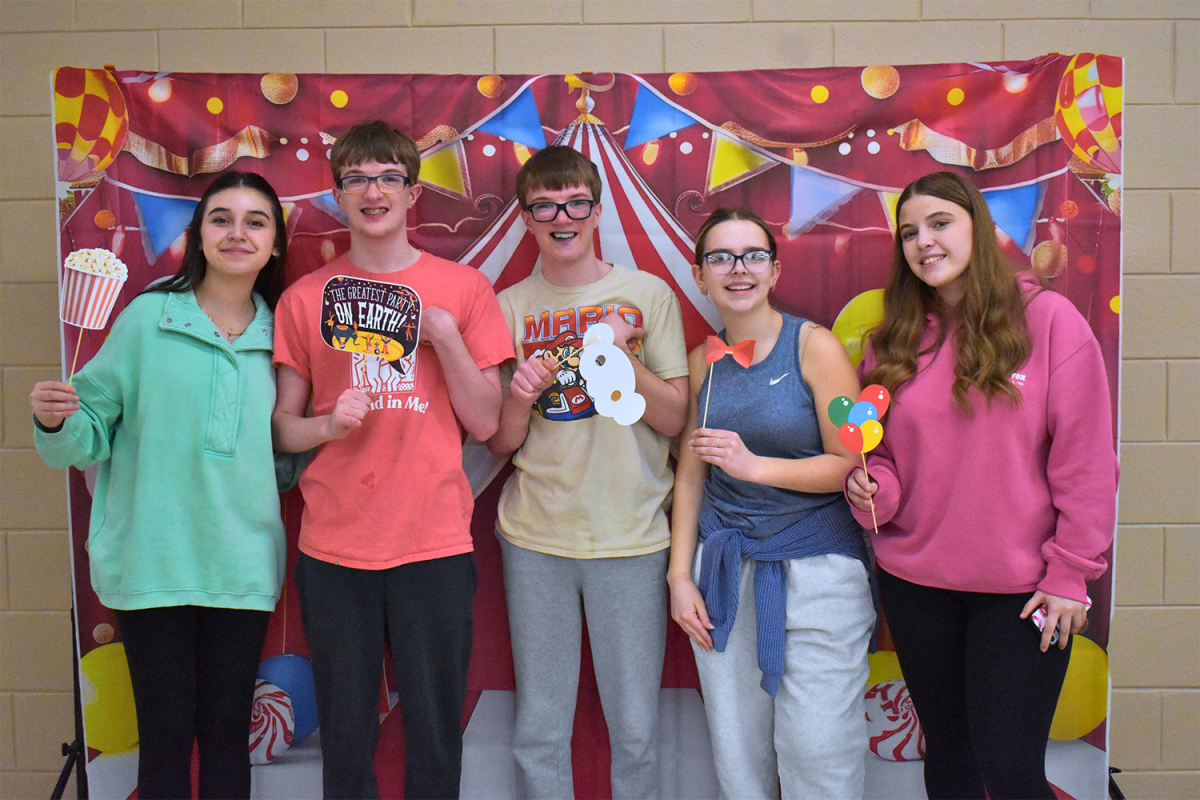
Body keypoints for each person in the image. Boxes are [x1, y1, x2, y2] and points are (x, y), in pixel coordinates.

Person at [845, 171, 1117, 800]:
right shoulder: (893, 337)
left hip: (1022, 593)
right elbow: (877, 452)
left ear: (980, 229)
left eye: (940, 223)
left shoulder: (1049, 322)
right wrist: (872, 489)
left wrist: (1071, 572)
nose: (924, 242)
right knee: (951, 762)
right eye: (909, 232)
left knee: (1011, 769)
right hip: (918, 585)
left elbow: (1086, 464)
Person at [270, 119, 513, 800]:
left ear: (412, 194)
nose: (372, 191)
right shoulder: (303, 299)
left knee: (435, 739)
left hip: (432, 544)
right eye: (356, 179)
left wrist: (444, 338)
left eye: (387, 178)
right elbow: (283, 430)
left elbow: (489, 422)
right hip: (334, 550)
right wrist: (327, 426)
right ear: (339, 195)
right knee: (345, 739)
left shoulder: (463, 290)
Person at [31, 171, 293, 800]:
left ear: (276, 243)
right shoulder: (147, 318)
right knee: (167, 737)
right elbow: (88, 430)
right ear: (198, 236)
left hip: (242, 565)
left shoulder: (287, 338)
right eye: (220, 218)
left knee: (229, 736)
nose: (237, 233)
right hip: (152, 561)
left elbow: (288, 455)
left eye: (256, 221)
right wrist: (52, 419)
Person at [486, 145, 689, 800]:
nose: (561, 216)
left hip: (630, 537)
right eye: (544, 205)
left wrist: (624, 362)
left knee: (634, 727)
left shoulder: (645, 295)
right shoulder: (510, 306)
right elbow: (498, 444)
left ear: (597, 210)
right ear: (525, 218)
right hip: (535, 537)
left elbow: (675, 418)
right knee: (540, 725)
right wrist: (518, 394)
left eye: (575, 202)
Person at [667, 207, 874, 800]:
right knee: (737, 758)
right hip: (725, 575)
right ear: (700, 275)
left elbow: (849, 464)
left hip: (818, 573)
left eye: (753, 255)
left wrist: (755, 466)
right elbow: (690, 478)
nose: (738, 269)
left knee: (818, 751)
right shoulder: (701, 362)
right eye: (721, 258)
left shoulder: (814, 347)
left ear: (775, 270)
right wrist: (682, 577)